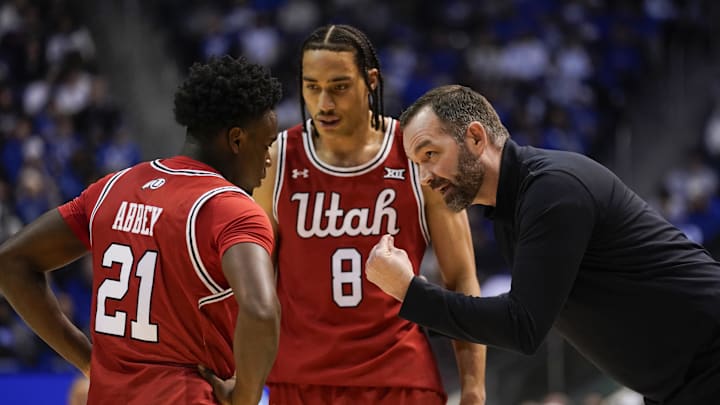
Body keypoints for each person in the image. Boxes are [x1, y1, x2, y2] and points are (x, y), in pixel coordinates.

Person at [366, 84, 720, 404]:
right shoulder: (510, 212)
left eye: (429, 155)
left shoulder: (552, 189)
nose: (425, 179)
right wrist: (415, 299)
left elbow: (523, 326)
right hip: (676, 384)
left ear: (475, 138)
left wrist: (411, 293)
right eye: (417, 166)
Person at [0, 55, 282, 405]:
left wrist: (88, 361)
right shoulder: (231, 209)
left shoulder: (111, 188)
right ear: (237, 139)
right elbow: (261, 310)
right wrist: (245, 397)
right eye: (267, 143)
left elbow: (11, 261)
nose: (270, 159)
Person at [253, 25, 486, 405]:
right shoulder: (276, 161)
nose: (324, 102)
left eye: (339, 86)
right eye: (312, 87)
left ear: (371, 81)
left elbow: (461, 279)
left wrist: (473, 387)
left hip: (400, 376)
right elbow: (252, 287)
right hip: (300, 379)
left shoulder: (416, 157)